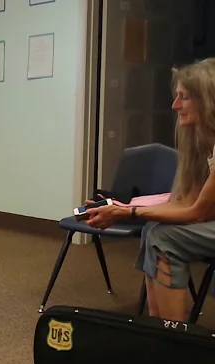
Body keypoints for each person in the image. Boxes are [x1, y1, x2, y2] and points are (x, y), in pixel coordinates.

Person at [85, 58, 215, 323]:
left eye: (184, 97)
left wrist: (128, 212)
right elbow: (184, 202)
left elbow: (196, 213)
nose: (174, 105)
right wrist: (122, 209)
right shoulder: (204, 144)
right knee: (151, 230)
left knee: (164, 237)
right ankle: (157, 326)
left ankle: (173, 336)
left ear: (208, 100)